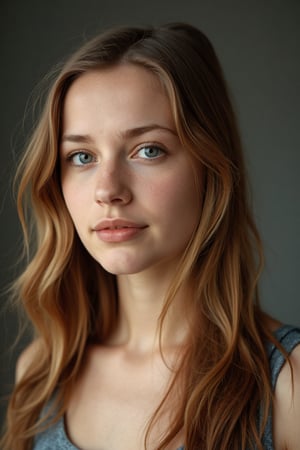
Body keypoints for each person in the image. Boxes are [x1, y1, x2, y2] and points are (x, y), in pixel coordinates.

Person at [1, 23, 300, 450]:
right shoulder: (42, 375)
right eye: (81, 156)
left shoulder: (288, 384)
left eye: (148, 150)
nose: (108, 190)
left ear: (210, 167)